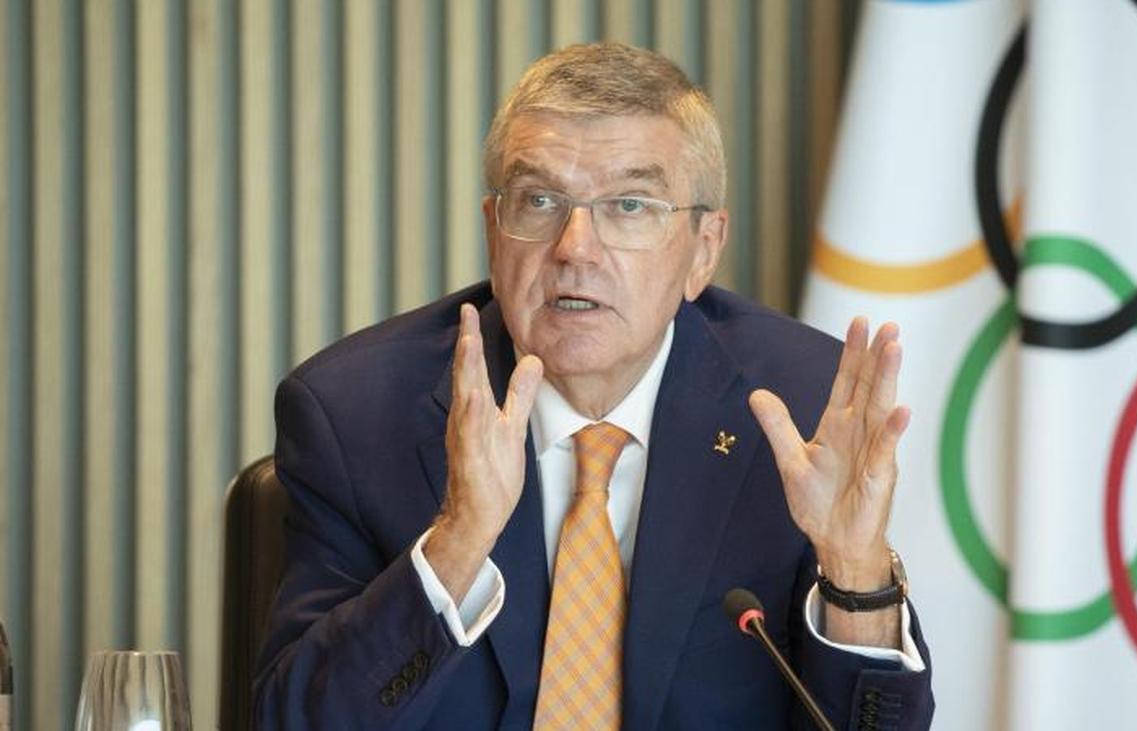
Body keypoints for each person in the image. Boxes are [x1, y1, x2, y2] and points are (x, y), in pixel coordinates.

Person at [255, 42, 934, 730]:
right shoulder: (355, 415)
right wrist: (457, 540)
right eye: (539, 200)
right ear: (494, 231)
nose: (574, 248)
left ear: (704, 249)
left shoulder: (803, 407)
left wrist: (855, 573)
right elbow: (293, 721)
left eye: (629, 205)